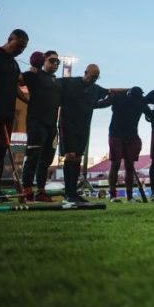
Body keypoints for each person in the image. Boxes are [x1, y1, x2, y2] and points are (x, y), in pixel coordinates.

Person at [58, 64, 121, 204]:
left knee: (78, 158)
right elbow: (52, 85)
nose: (94, 79)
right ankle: (68, 193)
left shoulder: (96, 89)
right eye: (92, 76)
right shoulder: (69, 82)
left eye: (96, 77)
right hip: (67, 125)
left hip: (84, 127)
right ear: (85, 72)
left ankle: (73, 193)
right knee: (70, 155)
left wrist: (112, 99)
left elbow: (109, 94)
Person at [0, 29, 29, 198]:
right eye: (19, 45)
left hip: (7, 113)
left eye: (23, 48)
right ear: (10, 39)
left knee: (1, 151)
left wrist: (28, 101)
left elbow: (15, 87)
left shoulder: (15, 64)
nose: (20, 50)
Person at [20, 50, 62, 202]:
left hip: (52, 125)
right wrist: (24, 100)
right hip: (36, 122)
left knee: (46, 160)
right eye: (52, 60)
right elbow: (14, 81)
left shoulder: (57, 82)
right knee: (33, 157)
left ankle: (41, 191)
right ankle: (27, 189)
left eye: (58, 62)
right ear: (44, 61)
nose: (55, 64)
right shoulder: (34, 75)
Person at [107, 86, 148, 202]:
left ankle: (122, 196)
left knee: (124, 166)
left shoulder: (122, 99)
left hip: (129, 137)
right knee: (119, 164)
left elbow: (150, 114)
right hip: (117, 135)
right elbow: (151, 114)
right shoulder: (138, 102)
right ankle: (116, 196)